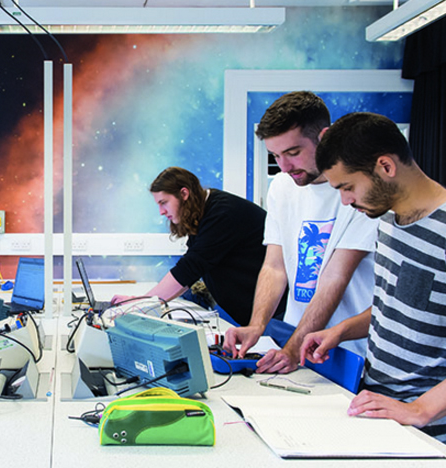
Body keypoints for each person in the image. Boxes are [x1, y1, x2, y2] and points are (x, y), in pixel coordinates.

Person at [301, 112, 446, 443]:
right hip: (377, 409)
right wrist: (341, 330)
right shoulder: (388, 220)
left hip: (428, 434)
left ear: (385, 166)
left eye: (348, 186)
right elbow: (395, 307)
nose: (345, 200)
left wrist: (420, 409)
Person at [223, 91, 379, 373]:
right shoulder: (281, 187)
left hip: (347, 351)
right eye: (275, 155)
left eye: (293, 153)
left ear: (324, 137)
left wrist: (293, 350)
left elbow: (335, 276)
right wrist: (257, 325)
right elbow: (274, 266)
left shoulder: (358, 190)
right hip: (295, 338)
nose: (284, 166)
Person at [111, 166, 270, 326]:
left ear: (184, 194)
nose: (161, 212)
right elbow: (189, 269)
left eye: (164, 203)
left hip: (268, 313)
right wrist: (141, 301)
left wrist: (141, 304)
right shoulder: (206, 210)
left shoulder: (222, 213)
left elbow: (190, 268)